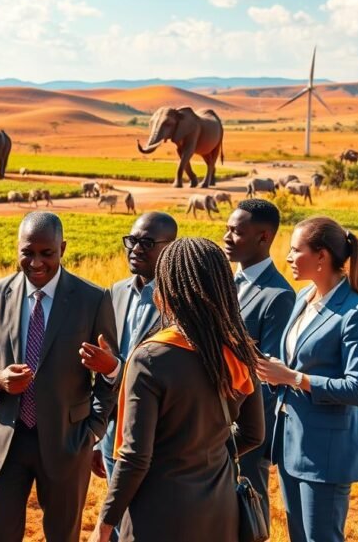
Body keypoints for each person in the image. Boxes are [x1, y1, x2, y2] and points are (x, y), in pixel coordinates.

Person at [90, 237, 265, 542]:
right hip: (220, 509)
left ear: (169, 290)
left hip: (158, 514)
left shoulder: (150, 358)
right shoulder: (239, 350)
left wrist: (105, 525)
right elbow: (254, 433)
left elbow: (134, 458)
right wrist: (204, 451)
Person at [0, 211, 118, 542]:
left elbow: (109, 374)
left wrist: (93, 431)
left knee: (63, 535)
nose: (36, 262)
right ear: (17, 248)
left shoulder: (93, 299)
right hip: (5, 442)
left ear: (63, 248)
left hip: (67, 441)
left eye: (46, 253)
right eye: (28, 252)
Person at [257, 216, 358, 542]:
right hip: (290, 442)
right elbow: (296, 363)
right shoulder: (303, 298)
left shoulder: (356, 312)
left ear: (321, 257)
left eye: (294, 250)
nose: (287, 258)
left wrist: (294, 377)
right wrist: (276, 372)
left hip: (326, 450)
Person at [92, 212, 177, 541]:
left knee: (142, 527)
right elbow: (103, 372)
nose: (135, 249)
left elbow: (166, 372)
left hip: (155, 439)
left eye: (147, 243)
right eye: (132, 241)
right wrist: (99, 438)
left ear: (169, 249)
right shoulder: (114, 293)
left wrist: (114, 367)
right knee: (114, 524)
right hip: (115, 433)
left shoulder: (178, 301)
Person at [222, 199, 296, 522]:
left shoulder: (278, 295)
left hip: (246, 428)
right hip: (213, 422)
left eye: (237, 232)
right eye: (227, 229)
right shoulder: (224, 282)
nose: (227, 237)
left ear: (263, 238)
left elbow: (268, 374)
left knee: (249, 512)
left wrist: (243, 430)